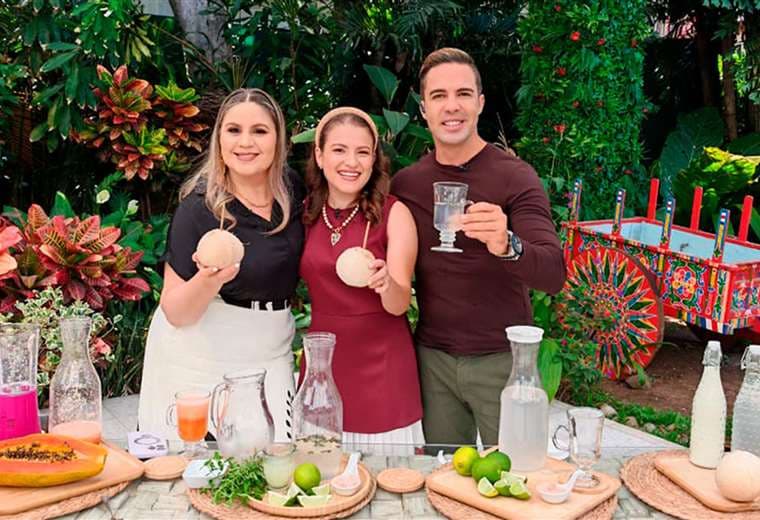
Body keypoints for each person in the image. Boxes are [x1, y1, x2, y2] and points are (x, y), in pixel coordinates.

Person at [390, 48, 566, 445]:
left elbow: (553, 273)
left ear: (480, 103)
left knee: (519, 471)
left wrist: (508, 244)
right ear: (424, 109)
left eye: (463, 94)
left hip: (502, 361)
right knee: (442, 473)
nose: (452, 106)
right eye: (439, 96)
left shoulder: (514, 177)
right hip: (433, 362)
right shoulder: (407, 184)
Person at [138, 88, 304, 442]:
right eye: (233, 130)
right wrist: (209, 278)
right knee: (203, 464)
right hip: (200, 359)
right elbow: (176, 311)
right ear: (219, 140)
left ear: (279, 140)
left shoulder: (292, 191)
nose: (245, 142)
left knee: (276, 454)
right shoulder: (199, 209)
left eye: (259, 131)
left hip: (271, 350)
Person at [299, 107, 424, 452]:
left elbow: (399, 303)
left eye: (363, 152)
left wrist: (387, 284)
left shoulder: (394, 213)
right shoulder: (306, 212)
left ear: (374, 160)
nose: (351, 162)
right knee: (319, 472)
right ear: (320, 156)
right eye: (339, 150)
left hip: (382, 368)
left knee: (388, 476)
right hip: (322, 366)